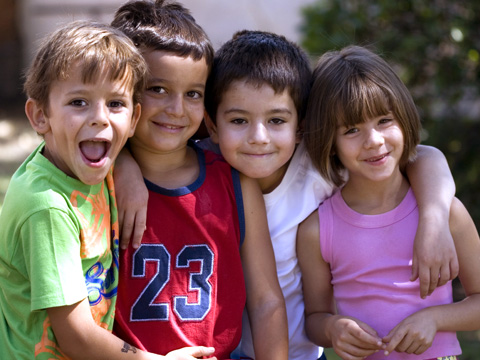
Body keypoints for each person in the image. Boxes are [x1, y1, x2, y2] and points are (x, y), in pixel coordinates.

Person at [117, 30, 459, 360]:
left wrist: (433, 219)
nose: (259, 137)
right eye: (238, 120)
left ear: (301, 128)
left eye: (277, 120)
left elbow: (423, 156)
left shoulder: (319, 170)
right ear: (213, 125)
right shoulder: (202, 166)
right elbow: (147, 148)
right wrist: (123, 163)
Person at [0, 20, 213, 360]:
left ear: (132, 120)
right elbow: (77, 337)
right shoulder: (47, 209)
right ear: (40, 116)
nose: (100, 118)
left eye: (115, 104)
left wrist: (126, 166)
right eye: (79, 102)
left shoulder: (81, 163)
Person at [110, 1, 288, 360]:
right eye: (157, 89)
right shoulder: (98, 181)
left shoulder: (234, 182)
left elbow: (266, 300)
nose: (177, 109)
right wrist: (120, 162)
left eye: (193, 94)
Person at [297, 45, 480, 360]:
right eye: (352, 129)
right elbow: (314, 318)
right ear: (330, 141)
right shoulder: (316, 230)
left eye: (384, 120)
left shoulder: (446, 213)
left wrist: (435, 318)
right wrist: (333, 328)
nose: (374, 141)